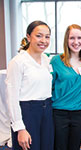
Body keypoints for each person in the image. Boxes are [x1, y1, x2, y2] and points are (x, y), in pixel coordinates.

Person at [5, 20, 54, 150]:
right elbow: (12, 98)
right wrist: (20, 128)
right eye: (39, 36)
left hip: (47, 110)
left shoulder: (46, 60)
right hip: (28, 112)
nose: (43, 40)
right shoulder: (18, 62)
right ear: (28, 37)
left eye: (47, 36)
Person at [50, 24, 81, 150]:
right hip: (60, 113)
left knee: (75, 146)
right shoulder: (56, 61)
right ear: (66, 40)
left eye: (79, 38)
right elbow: (48, 86)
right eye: (72, 38)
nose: (76, 42)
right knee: (59, 146)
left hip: (80, 112)